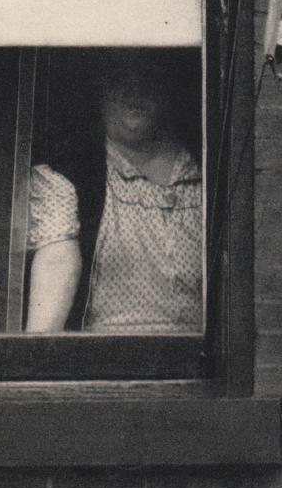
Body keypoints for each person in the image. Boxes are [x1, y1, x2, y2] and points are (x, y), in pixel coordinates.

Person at [25, 56, 203, 333]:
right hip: (107, 360)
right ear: (100, 89)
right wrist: (33, 361)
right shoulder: (72, 175)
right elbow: (57, 262)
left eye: (148, 76)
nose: (134, 90)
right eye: (121, 77)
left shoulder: (206, 174)